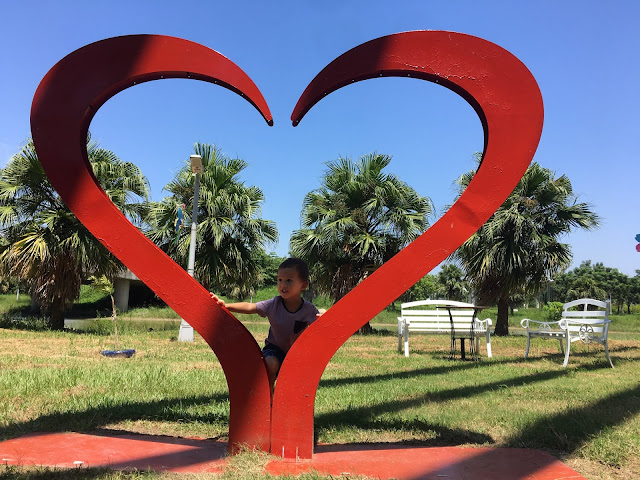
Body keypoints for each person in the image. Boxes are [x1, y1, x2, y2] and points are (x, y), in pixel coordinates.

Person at [211, 257, 323, 396]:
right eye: (280, 280)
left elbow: (321, 325)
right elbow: (251, 306)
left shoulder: (309, 310)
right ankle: (267, 396)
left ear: (304, 285)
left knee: (297, 379)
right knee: (270, 364)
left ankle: (288, 400)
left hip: (297, 353)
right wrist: (226, 306)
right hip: (274, 349)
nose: (283, 284)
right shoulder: (273, 304)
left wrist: (322, 320)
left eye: (289, 280)